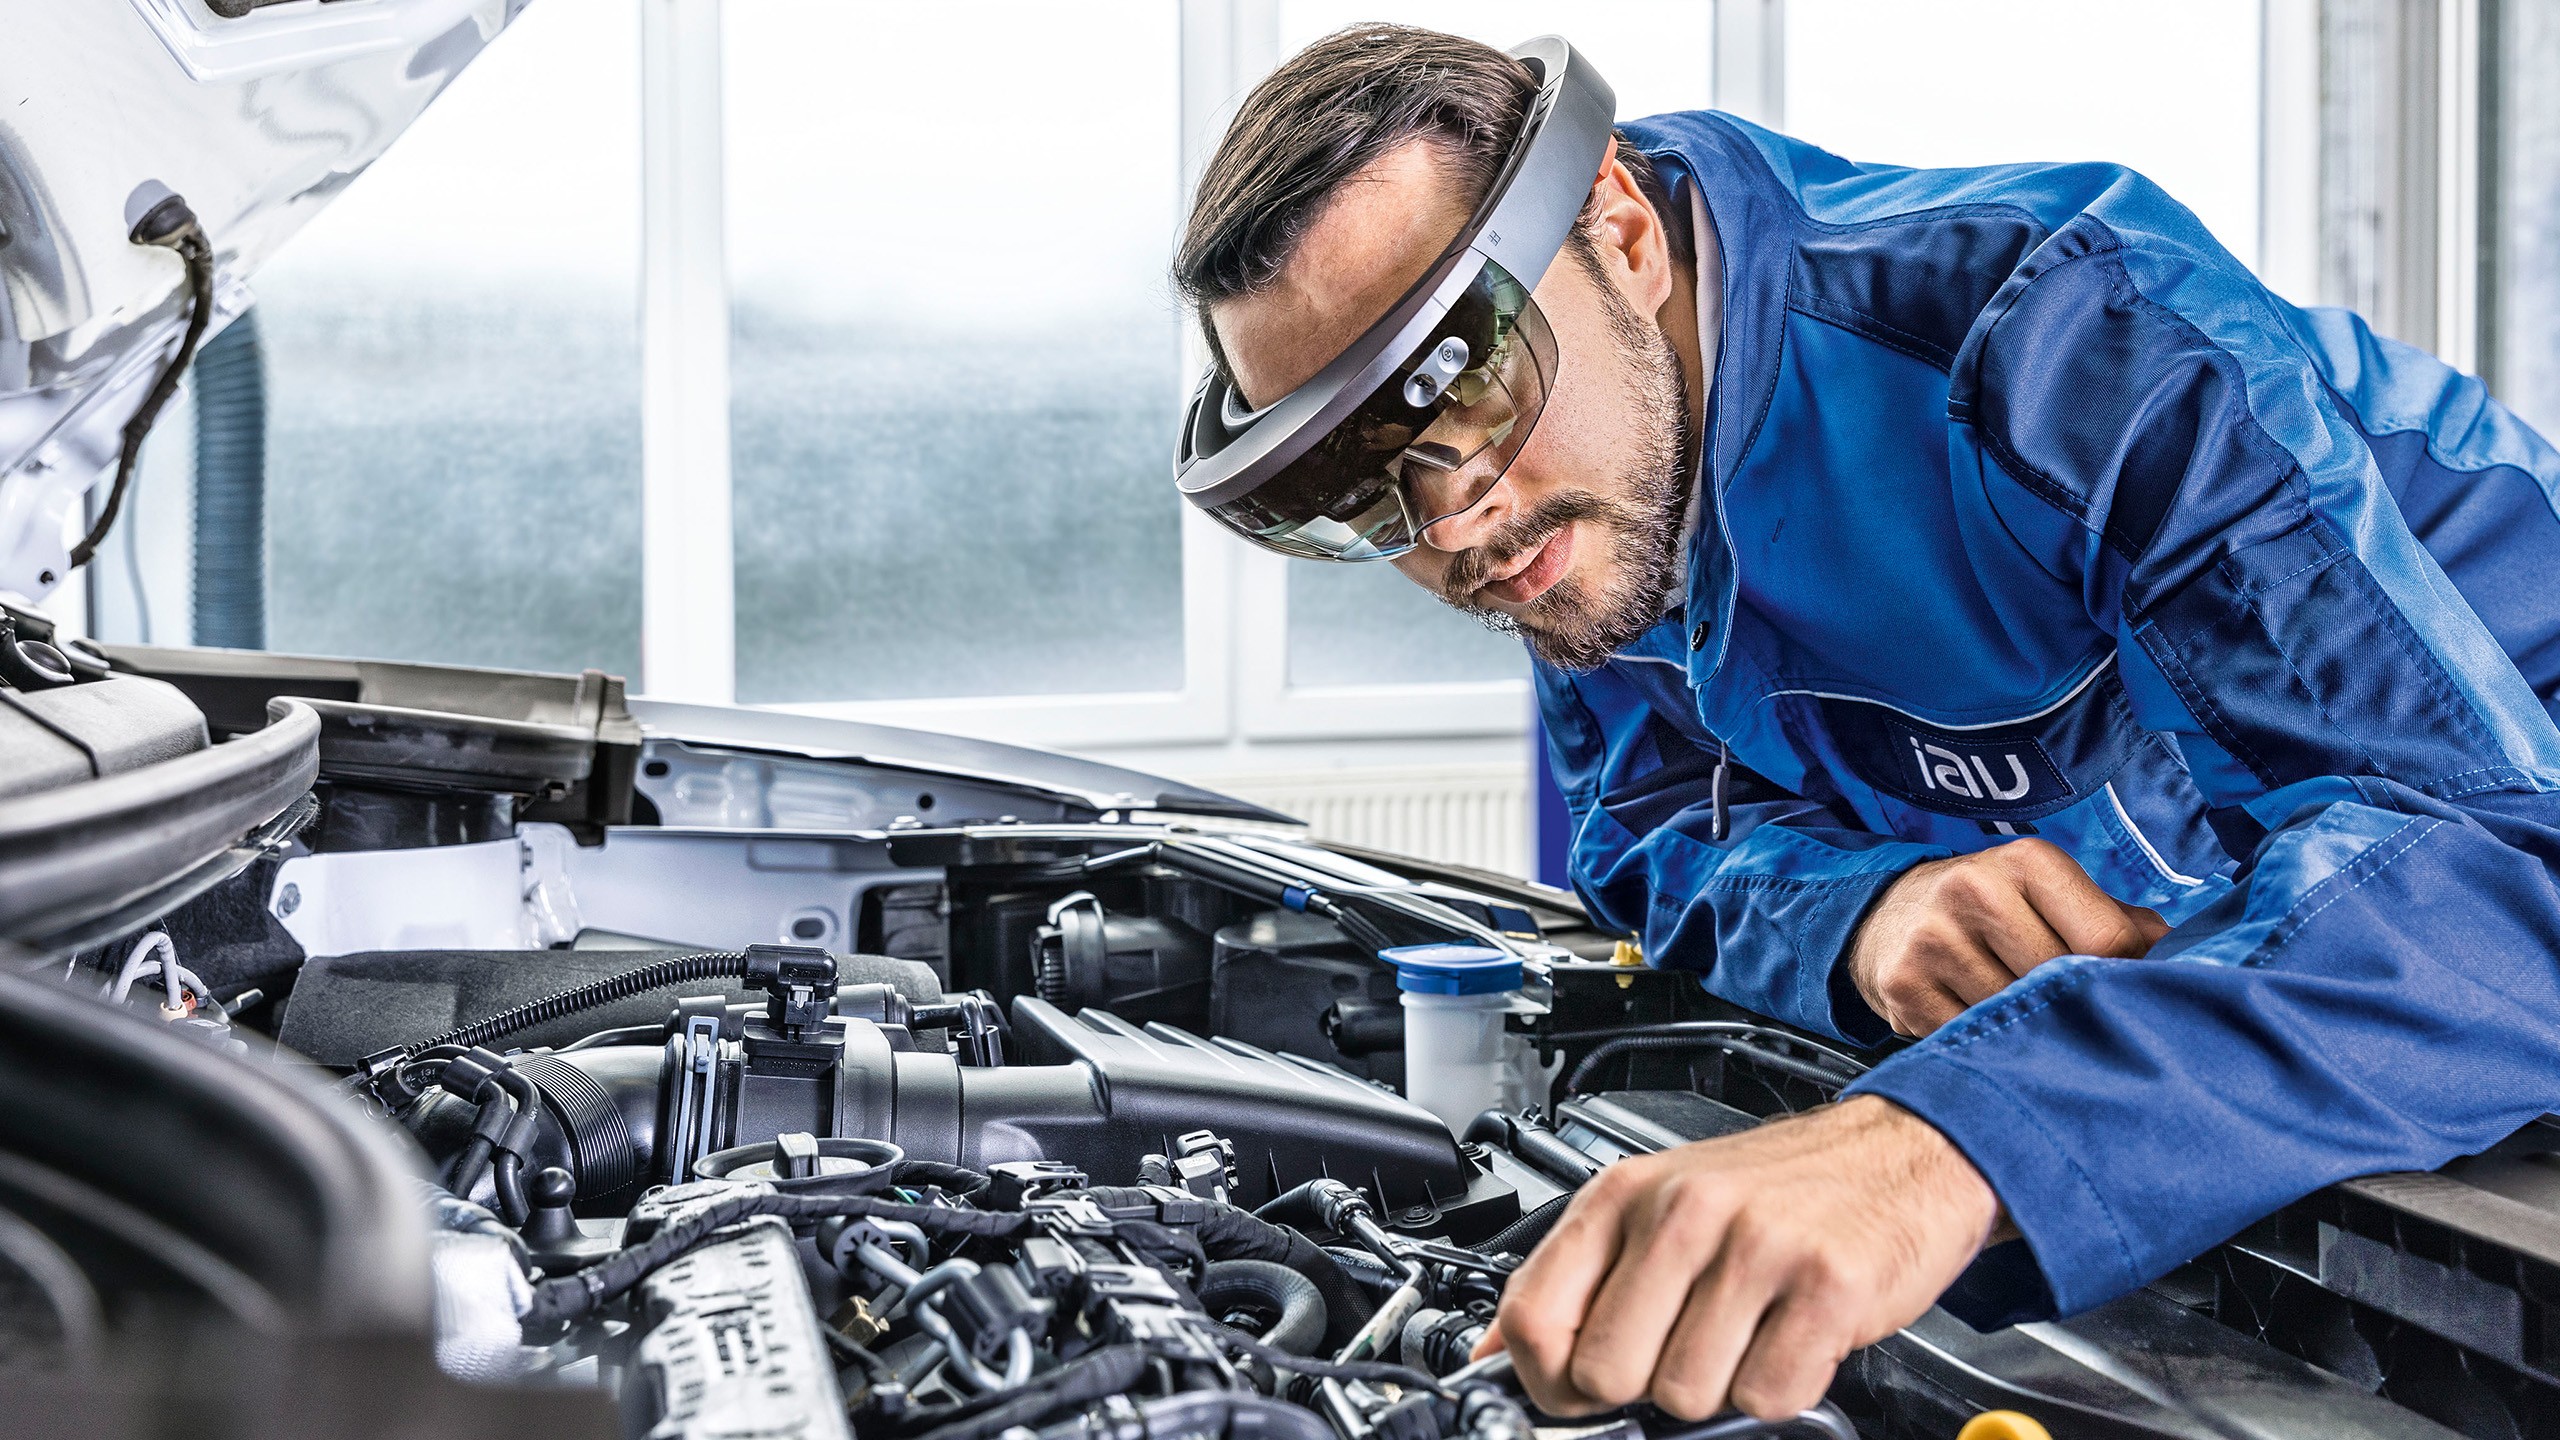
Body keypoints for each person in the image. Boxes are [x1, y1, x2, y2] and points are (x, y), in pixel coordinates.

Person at [1169, 24, 2560, 1426]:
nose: (1451, 524)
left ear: (1623, 233)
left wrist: (1942, 1142)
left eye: (1461, 388)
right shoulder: (1583, 501)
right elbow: (1648, 825)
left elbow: (2500, 870)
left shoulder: (2067, 329)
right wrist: (1862, 915)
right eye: (1360, 489)